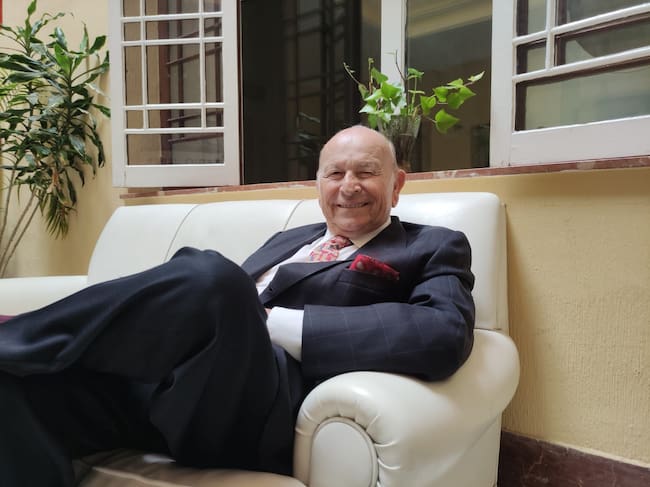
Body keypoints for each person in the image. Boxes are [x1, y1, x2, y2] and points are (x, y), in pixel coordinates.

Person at [0, 125, 475, 486]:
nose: (348, 185)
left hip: (257, 407)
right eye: (335, 173)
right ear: (318, 184)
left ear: (397, 183)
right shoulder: (290, 238)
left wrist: (274, 323)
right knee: (16, 381)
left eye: (366, 172)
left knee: (212, 278)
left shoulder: (431, 245)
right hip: (169, 390)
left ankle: (14, 335)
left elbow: (443, 332)